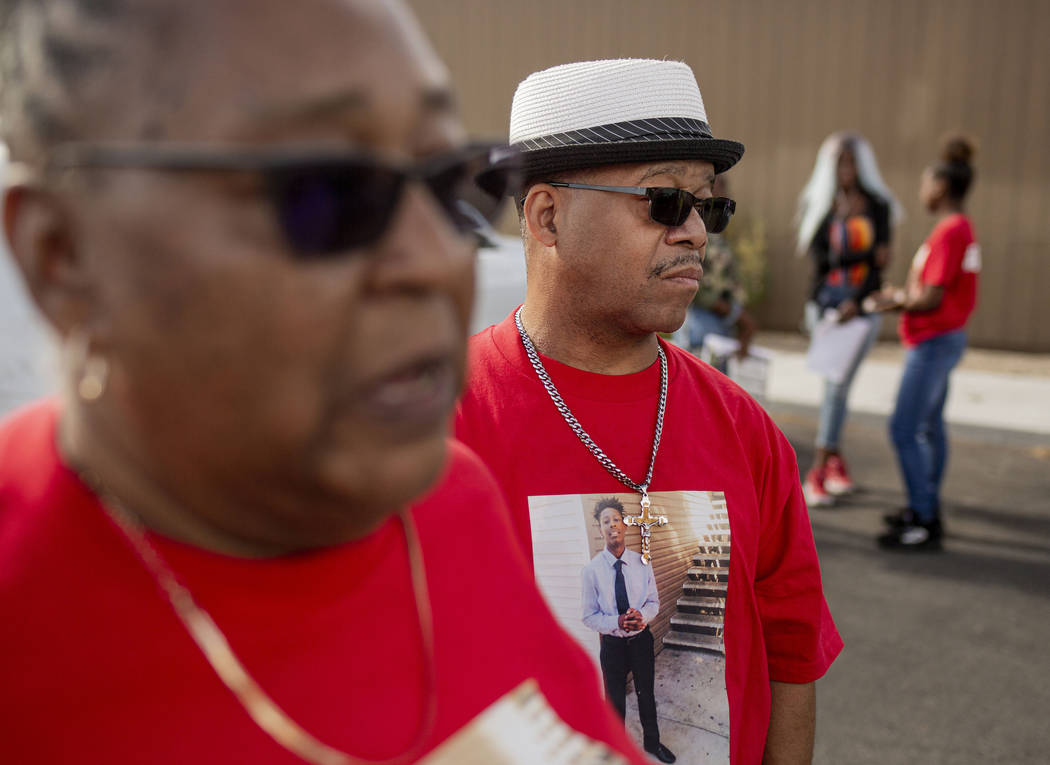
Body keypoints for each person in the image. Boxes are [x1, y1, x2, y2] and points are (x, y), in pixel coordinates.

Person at [0, 3, 651, 763]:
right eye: (325, 191)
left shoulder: (446, 505)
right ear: (64, 254)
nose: (436, 258)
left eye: (448, 183)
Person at [457, 58, 843, 765]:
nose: (696, 230)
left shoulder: (745, 429)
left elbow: (790, 653)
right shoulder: (442, 424)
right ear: (549, 216)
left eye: (708, 205)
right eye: (665, 201)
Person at [865, 136, 981, 551]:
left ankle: (924, 519)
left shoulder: (951, 231)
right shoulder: (957, 229)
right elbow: (937, 290)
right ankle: (925, 506)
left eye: (926, 183)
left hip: (933, 342)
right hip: (941, 340)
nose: (921, 191)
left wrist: (892, 300)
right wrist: (902, 296)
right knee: (930, 427)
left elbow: (931, 297)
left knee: (903, 428)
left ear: (942, 188)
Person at [794, 133, 903, 507]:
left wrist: (857, 301)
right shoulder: (821, 206)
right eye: (840, 162)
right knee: (834, 389)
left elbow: (880, 264)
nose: (846, 170)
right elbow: (820, 267)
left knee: (838, 389)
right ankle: (830, 465)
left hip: (860, 313)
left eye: (852, 162)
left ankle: (821, 469)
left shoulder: (877, 207)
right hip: (825, 311)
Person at [581, 498, 671, 762]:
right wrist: (616, 622)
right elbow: (588, 616)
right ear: (600, 530)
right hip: (613, 646)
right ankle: (618, 750)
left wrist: (641, 616)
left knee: (646, 695)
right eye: (605, 522)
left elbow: (653, 601)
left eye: (616, 519)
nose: (612, 525)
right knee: (615, 702)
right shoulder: (591, 571)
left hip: (641, 641)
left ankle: (652, 744)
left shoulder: (642, 562)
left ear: (625, 525)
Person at [682, 172, 756, 364]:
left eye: (725, 185)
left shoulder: (717, 232)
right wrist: (735, 314)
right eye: (717, 185)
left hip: (722, 321)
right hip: (702, 320)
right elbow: (691, 281)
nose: (724, 191)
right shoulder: (694, 231)